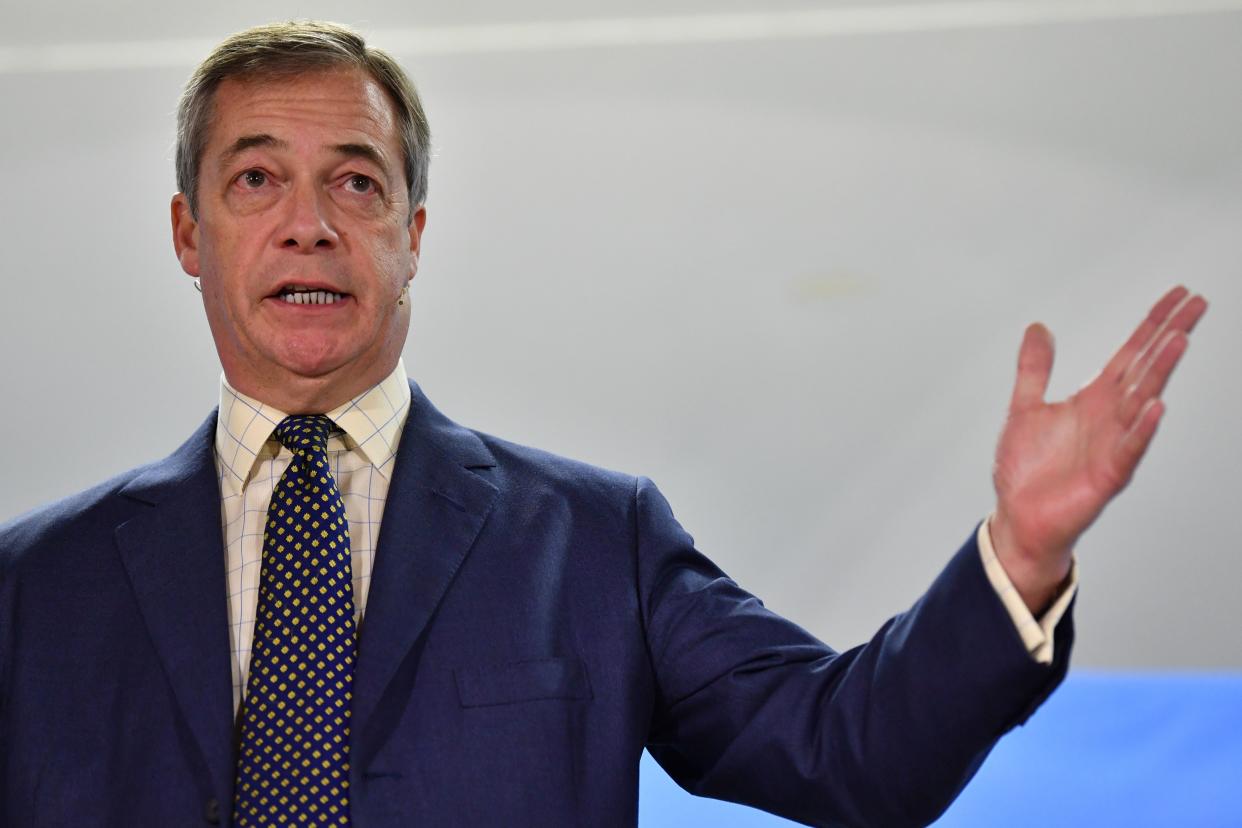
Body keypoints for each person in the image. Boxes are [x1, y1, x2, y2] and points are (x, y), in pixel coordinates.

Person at [0, 20, 1207, 828]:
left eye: (358, 182)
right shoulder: (33, 587)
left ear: (413, 238)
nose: (310, 223)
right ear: (185, 234)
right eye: (256, 179)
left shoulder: (595, 542)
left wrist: (1024, 552)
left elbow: (854, 752)